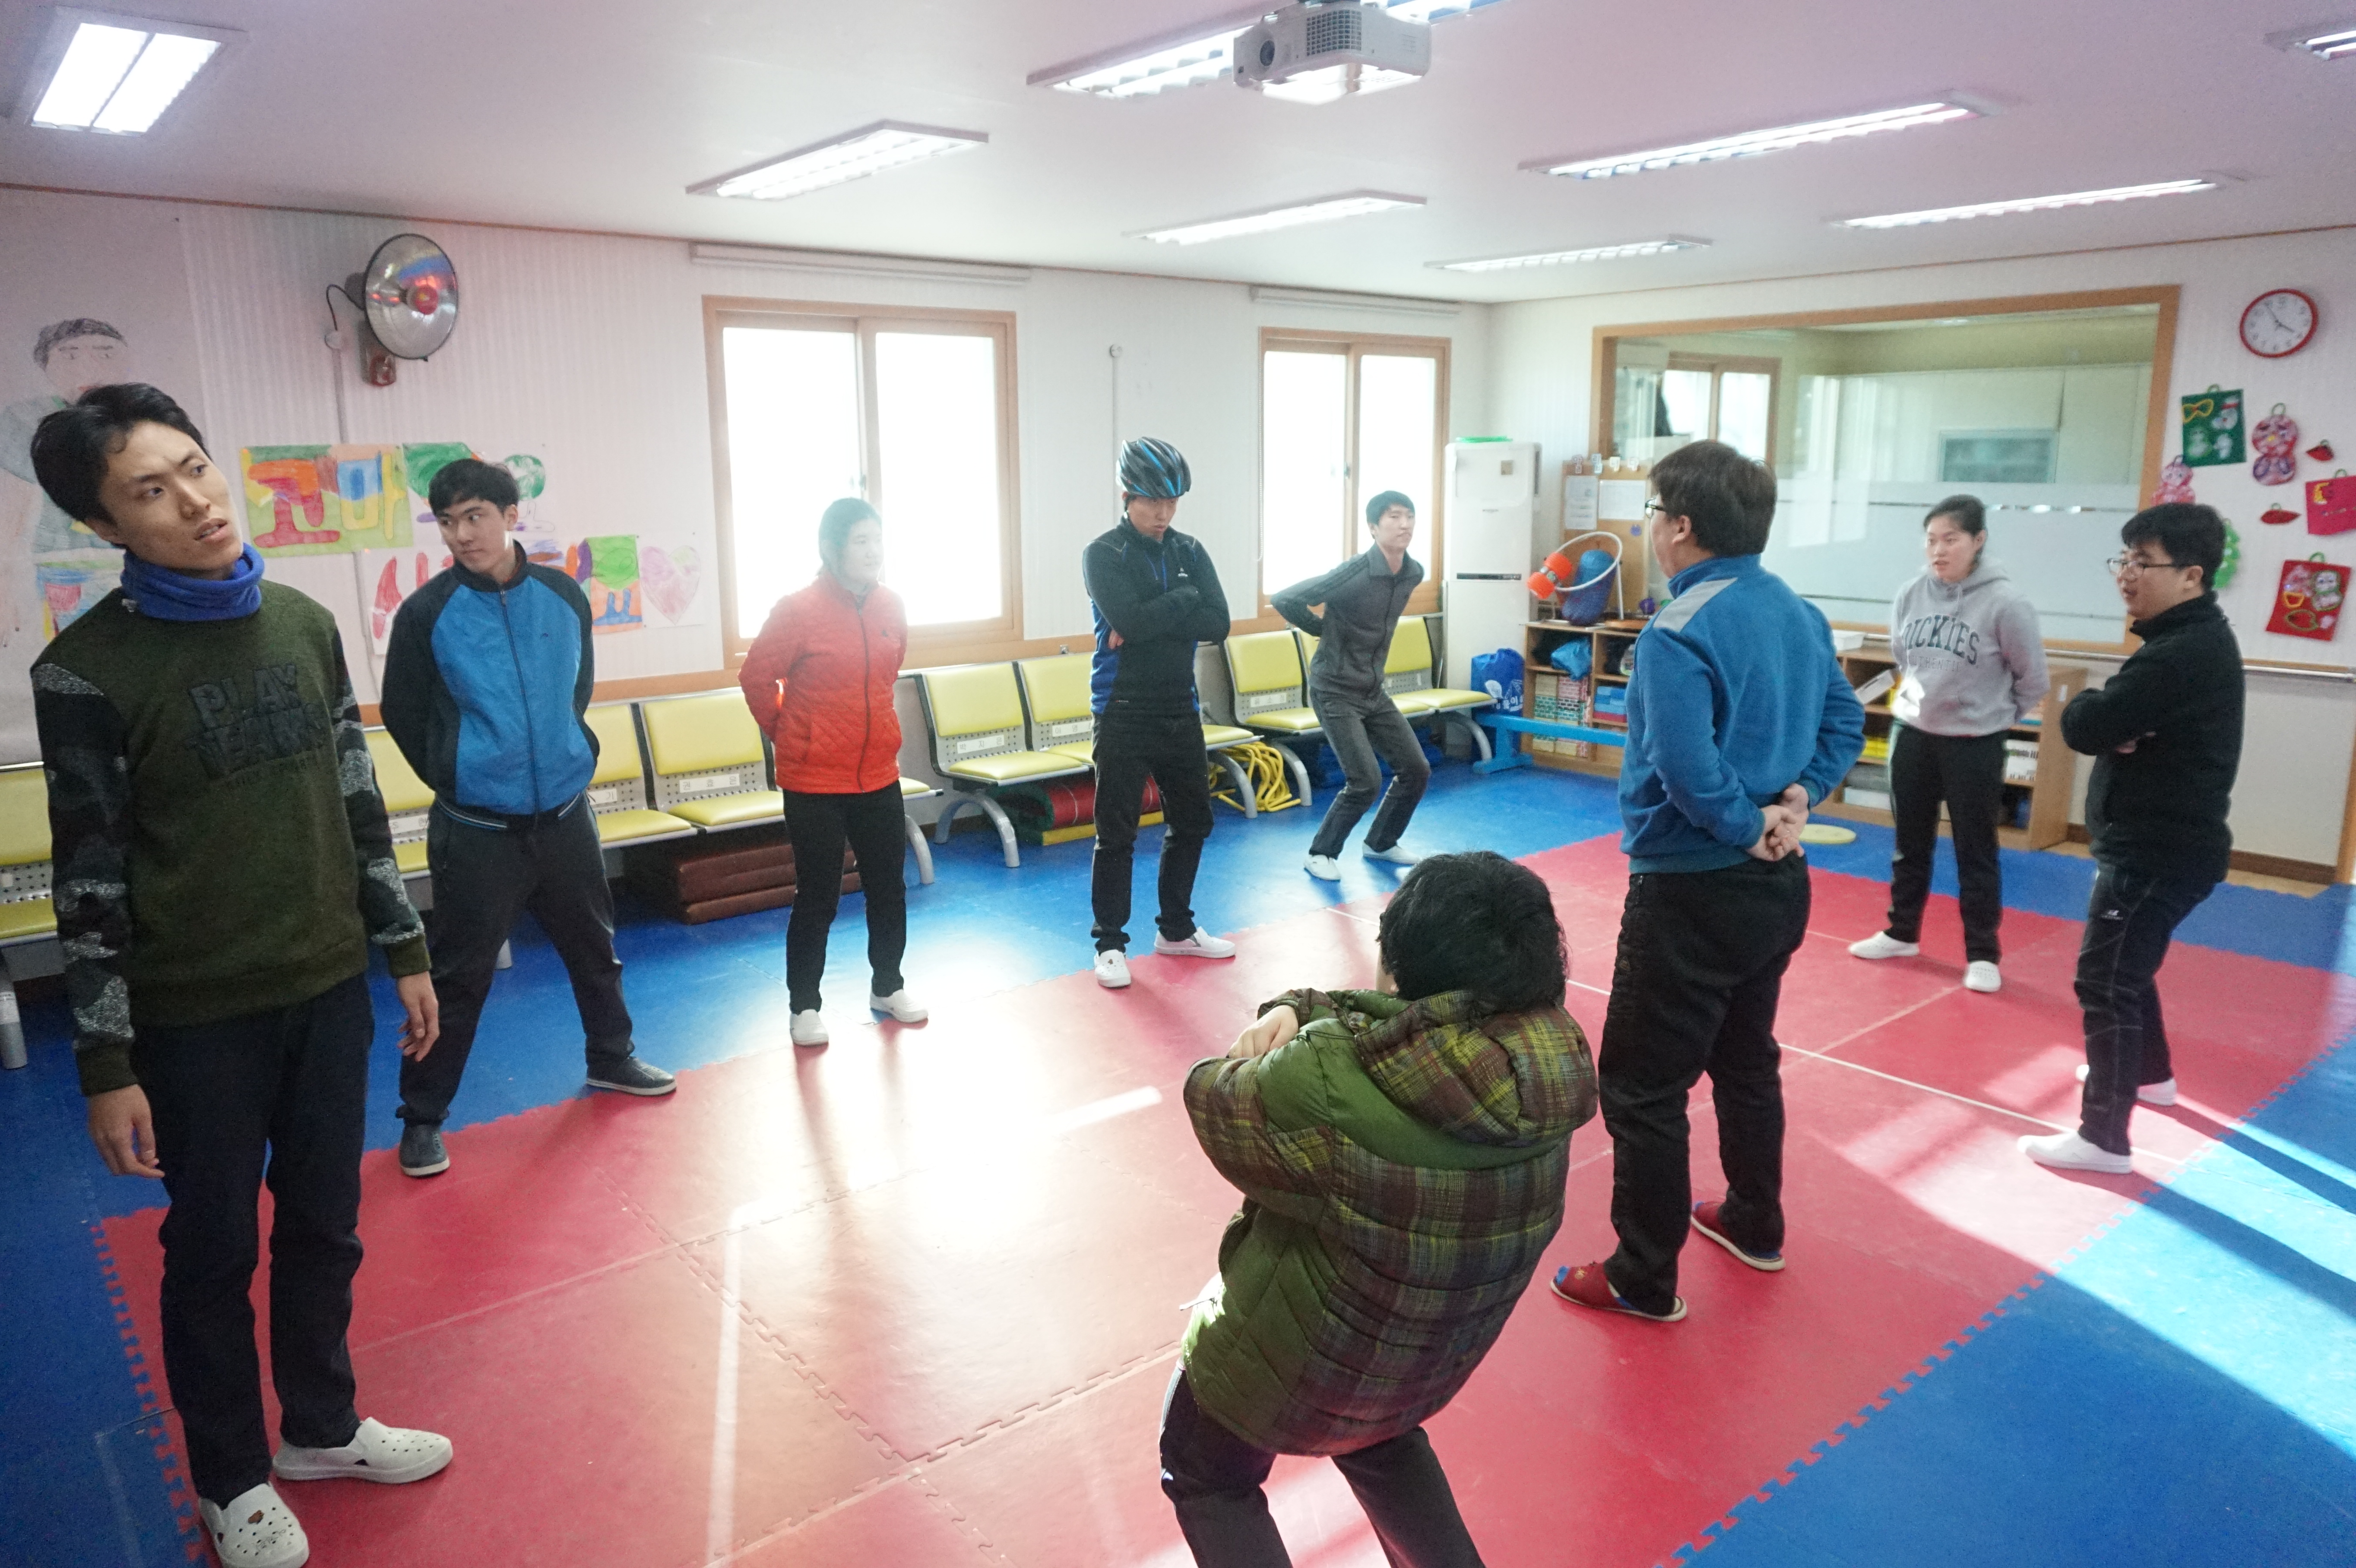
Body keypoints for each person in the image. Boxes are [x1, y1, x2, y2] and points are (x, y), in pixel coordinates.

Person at [28, 384, 451, 1568]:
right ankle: (230, 1475)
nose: (196, 501)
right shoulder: (86, 671)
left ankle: (320, 1426)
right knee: (212, 1251)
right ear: (105, 525)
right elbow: (90, 876)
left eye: (196, 467)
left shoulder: (305, 624)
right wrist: (107, 1061)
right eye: (150, 490)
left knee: (327, 1222)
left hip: (326, 986)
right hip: (194, 1018)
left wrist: (403, 947)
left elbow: (357, 798)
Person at [1164, 850, 1593, 1567]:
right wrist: (1300, 1007)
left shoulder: (1327, 1077)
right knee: (1382, 1442)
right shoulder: (1552, 1062)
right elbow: (1400, 1032)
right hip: (1426, 1360)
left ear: (1396, 970)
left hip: (1295, 1361)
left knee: (1206, 1474)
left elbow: (1213, 1096)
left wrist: (1276, 1038)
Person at [1554, 439, 1864, 1323]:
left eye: (1654, 512)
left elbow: (1686, 769)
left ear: (1682, 525)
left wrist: (1746, 823)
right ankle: (1754, 1221)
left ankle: (1641, 1275)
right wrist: (1797, 799)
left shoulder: (1677, 629)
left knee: (1644, 1087)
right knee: (1744, 1058)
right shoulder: (1797, 611)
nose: (1651, 527)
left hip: (1692, 887)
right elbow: (1845, 719)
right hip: (1777, 883)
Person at [378, 458, 675, 1177]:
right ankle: (423, 1116)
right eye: (448, 522)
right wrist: (460, 773)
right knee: (459, 979)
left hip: (566, 816)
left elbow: (576, 688)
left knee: (595, 950)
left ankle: (612, 1056)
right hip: (477, 831)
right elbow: (404, 714)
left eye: (475, 516)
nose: (462, 534)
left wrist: (563, 752)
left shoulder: (563, 595)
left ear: (511, 516)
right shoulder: (426, 614)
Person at [2021, 503, 2243, 1175]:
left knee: (2106, 981)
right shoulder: (2184, 641)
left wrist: (2098, 712)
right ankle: (2150, 1076)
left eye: (2143, 563)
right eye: (2124, 560)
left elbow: (2084, 724)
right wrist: (2109, 718)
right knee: (2129, 969)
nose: (2126, 574)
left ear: (2191, 575)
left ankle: (2104, 1138)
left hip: (2155, 852)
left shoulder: (2180, 654)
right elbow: (2104, 722)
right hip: (2161, 847)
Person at [738, 497, 924, 1047]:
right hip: (814, 780)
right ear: (831, 549)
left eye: (877, 539)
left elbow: (887, 675)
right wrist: (791, 734)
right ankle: (804, 1006)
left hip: (878, 773)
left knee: (888, 886)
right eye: (860, 541)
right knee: (818, 894)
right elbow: (756, 678)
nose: (873, 551)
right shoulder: (797, 610)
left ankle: (888, 985)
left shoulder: (891, 606)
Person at [1848, 495, 2049, 992]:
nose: (1938, 550)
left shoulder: (2006, 603)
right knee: (1908, 843)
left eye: (1951, 539)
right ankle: (1901, 932)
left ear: (1978, 540)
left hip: (1974, 742)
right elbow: (1903, 657)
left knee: (1974, 849)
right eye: (1931, 540)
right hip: (1913, 733)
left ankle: (1982, 953)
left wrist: (1990, 718)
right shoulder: (1910, 593)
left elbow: (2032, 680)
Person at [1083, 437, 1235, 989]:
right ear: (1128, 496)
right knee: (1116, 832)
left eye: (1171, 502)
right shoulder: (1103, 554)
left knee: (1194, 821)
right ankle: (1109, 944)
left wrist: (1150, 619)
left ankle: (1176, 929)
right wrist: (1183, 601)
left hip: (1180, 707)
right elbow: (1131, 620)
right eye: (1151, 501)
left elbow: (1219, 624)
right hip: (1122, 709)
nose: (1163, 513)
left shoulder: (1190, 551)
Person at [1271, 489, 1433, 881]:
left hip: (1372, 689)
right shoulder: (1355, 572)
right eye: (1394, 517)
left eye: (1409, 516)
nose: (1404, 524)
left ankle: (1380, 843)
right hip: (1334, 688)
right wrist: (1322, 629)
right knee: (1365, 780)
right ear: (1373, 527)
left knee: (1416, 769)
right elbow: (1286, 599)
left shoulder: (1412, 573)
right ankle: (1321, 853)